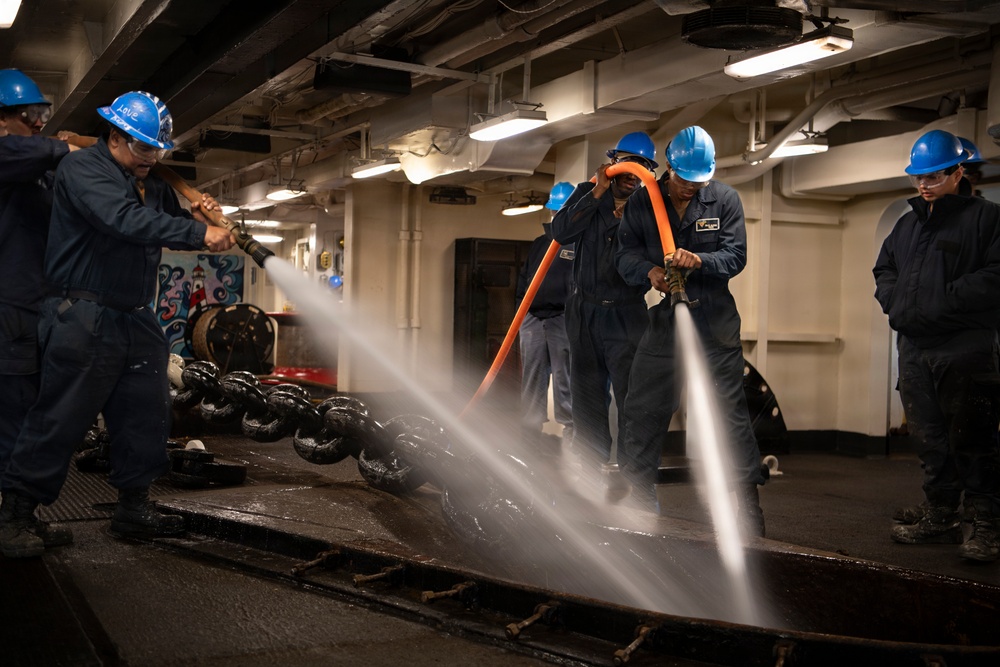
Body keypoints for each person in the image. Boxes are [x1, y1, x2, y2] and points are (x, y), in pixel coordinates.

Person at [0, 91, 236, 558]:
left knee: (146, 412)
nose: (152, 158)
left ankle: (134, 506)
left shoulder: (151, 183)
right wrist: (197, 232)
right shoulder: (83, 169)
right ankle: (15, 516)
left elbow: (164, 219)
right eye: (143, 147)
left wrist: (199, 215)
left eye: (157, 150)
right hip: (83, 314)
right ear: (115, 136)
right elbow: (122, 220)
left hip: (134, 313)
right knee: (59, 418)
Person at [615, 126, 766, 534]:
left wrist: (698, 260)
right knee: (642, 407)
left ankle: (748, 505)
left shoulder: (725, 199)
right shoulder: (644, 202)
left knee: (729, 414)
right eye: (684, 181)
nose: (691, 190)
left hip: (714, 319)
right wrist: (649, 272)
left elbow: (736, 256)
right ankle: (640, 494)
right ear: (668, 169)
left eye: (699, 183)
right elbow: (624, 255)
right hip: (667, 319)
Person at [874, 129, 1000, 562]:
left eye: (933, 176)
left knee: (972, 438)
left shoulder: (987, 220)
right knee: (929, 437)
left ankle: (986, 523)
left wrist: (940, 301)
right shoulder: (907, 224)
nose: (924, 185)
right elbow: (884, 269)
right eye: (917, 178)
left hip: (965, 348)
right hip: (914, 349)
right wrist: (895, 303)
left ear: (958, 172)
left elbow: (995, 277)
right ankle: (942, 514)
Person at [550, 132, 655, 475]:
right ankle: (590, 470)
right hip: (585, 311)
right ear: (611, 164)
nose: (630, 171)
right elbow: (561, 232)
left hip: (627, 313)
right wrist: (595, 191)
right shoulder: (587, 193)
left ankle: (631, 474)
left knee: (631, 397)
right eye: (624, 163)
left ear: (646, 171)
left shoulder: (652, 208)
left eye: (638, 166)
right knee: (587, 396)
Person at [0, 69, 78, 470]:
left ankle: (17, 514)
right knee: (10, 422)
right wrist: (67, 148)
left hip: (34, 311)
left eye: (41, 112)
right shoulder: (10, 156)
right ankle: (8, 524)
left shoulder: (36, 173)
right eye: (26, 114)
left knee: (28, 416)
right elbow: (27, 153)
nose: (37, 121)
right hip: (7, 311)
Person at [516, 181, 575, 445]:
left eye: (561, 210)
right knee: (532, 375)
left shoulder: (578, 245)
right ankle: (530, 432)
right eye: (554, 210)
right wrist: (521, 316)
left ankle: (572, 430)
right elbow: (524, 281)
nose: (556, 215)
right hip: (532, 319)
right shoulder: (539, 244)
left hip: (562, 319)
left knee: (566, 377)